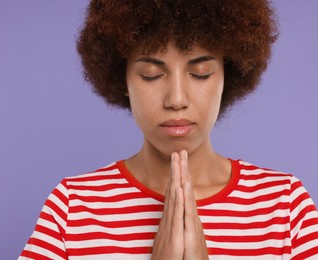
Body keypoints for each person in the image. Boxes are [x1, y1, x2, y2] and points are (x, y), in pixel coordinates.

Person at [19, 1, 318, 259]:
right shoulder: (73, 208)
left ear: (229, 74)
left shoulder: (285, 208)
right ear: (122, 79)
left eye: (200, 73)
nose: (176, 99)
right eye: (151, 75)